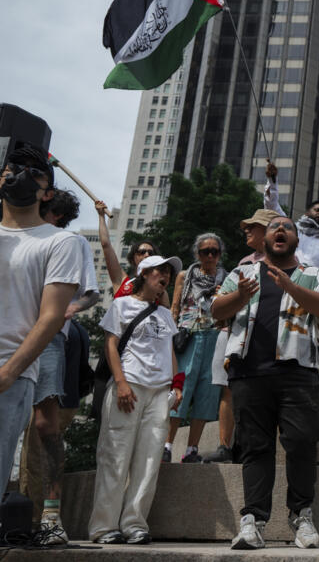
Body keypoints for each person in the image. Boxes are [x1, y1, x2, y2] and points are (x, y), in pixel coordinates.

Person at [212, 215, 319, 550]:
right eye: (274, 227)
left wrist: (291, 287)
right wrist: (239, 296)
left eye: (288, 228)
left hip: (298, 372)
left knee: (300, 443)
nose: (281, 231)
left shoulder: (313, 274)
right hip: (248, 373)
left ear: (296, 240)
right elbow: (215, 310)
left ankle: (302, 515)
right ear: (264, 239)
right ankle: (253, 520)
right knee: (255, 447)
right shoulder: (242, 274)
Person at [0, 147, 83, 522]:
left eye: (34, 173)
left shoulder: (61, 242)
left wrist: (9, 372)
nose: (19, 175)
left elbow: (53, 316)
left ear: (48, 192)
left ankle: (49, 513)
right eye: (13, 168)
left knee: (42, 428)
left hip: (13, 368)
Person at [20, 189, 99, 544]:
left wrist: (68, 309)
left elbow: (91, 292)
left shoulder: (70, 241)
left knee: (45, 424)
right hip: (9, 334)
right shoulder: (18, 237)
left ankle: (51, 515)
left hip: (49, 337)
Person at [89, 254, 184, 545]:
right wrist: (120, 383)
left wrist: (177, 385)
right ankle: (104, 527)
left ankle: (134, 524)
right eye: (160, 270)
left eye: (168, 272)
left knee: (149, 461)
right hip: (128, 387)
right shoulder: (122, 305)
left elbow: (169, 352)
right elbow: (111, 345)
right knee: (114, 458)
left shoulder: (165, 314)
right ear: (144, 273)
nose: (165, 276)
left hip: (159, 394)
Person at [199, 207, 281, 466]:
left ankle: (252, 446)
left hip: (268, 341)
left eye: (253, 226)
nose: (246, 229)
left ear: (268, 232)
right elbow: (219, 305)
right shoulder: (243, 264)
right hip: (234, 334)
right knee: (228, 390)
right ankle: (226, 445)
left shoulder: (290, 264)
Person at [164, 233, 227, 463]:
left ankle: (192, 448)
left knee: (207, 393)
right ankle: (167, 445)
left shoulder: (226, 279)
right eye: (204, 251)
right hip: (188, 336)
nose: (209, 256)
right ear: (197, 254)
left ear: (220, 254)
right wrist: (170, 338)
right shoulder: (185, 275)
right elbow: (175, 307)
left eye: (214, 251)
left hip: (215, 336)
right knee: (181, 388)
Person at [94, 200, 170, 305]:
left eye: (150, 253)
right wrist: (101, 216)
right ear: (133, 258)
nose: (146, 255)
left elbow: (165, 319)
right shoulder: (122, 281)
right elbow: (106, 246)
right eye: (142, 252)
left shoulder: (160, 291)